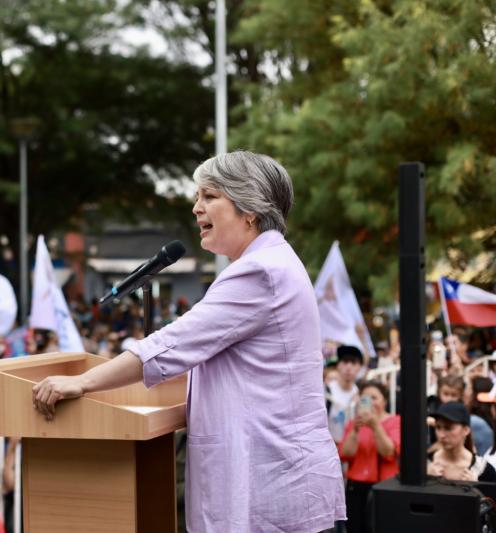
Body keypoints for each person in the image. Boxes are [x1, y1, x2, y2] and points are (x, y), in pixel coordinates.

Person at [32, 151, 346, 532]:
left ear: (249, 209)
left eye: (209, 196)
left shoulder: (260, 271)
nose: (197, 208)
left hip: (273, 487)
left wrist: (81, 382)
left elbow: (171, 343)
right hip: (276, 478)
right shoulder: (270, 262)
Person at [339, 381, 401, 533]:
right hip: (356, 487)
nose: (371, 402)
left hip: (384, 485)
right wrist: (354, 431)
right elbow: (345, 454)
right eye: (365, 398)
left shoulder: (395, 421)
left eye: (375, 397)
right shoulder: (354, 423)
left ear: (384, 401)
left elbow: (388, 452)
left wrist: (375, 426)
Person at [428, 401, 496, 482]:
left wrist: (476, 488)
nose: (441, 435)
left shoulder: (484, 470)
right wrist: (426, 479)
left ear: (466, 430)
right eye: (438, 427)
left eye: (448, 428)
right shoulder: (426, 464)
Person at [326, 345, 363, 443]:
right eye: (345, 362)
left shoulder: (361, 394)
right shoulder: (327, 390)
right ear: (338, 365)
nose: (349, 367)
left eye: (353, 363)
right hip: (330, 447)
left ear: (359, 367)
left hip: (350, 449)